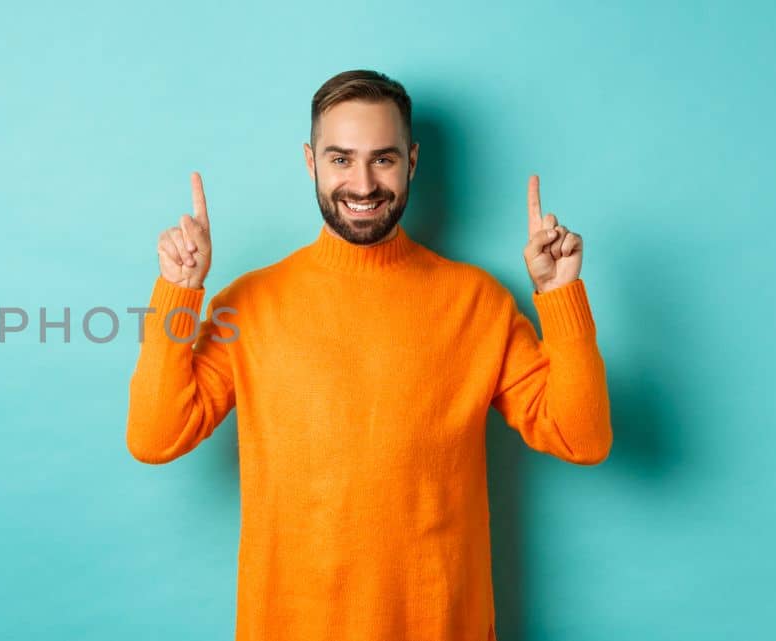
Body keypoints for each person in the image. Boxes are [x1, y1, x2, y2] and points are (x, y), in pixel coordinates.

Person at [126, 69, 611, 641]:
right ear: (310, 163)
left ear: (412, 160)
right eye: (340, 160)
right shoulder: (251, 305)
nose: (362, 184)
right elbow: (154, 437)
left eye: (382, 159)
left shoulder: (477, 301)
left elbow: (583, 438)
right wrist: (179, 291)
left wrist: (559, 297)